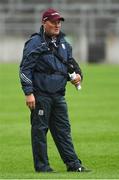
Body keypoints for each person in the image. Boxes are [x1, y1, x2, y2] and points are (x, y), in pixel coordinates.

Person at [19, 8, 89, 173]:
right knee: (40, 131)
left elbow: (71, 64)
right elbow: (24, 69)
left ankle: (74, 165)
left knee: (64, 131)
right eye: (53, 22)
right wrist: (28, 93)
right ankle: (43, 167)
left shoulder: (64, 43)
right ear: (44, 22)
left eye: (59, 22)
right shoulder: (35, 43)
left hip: (59, 96)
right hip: (41, 95)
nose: (57, 25)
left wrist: (78, 75)